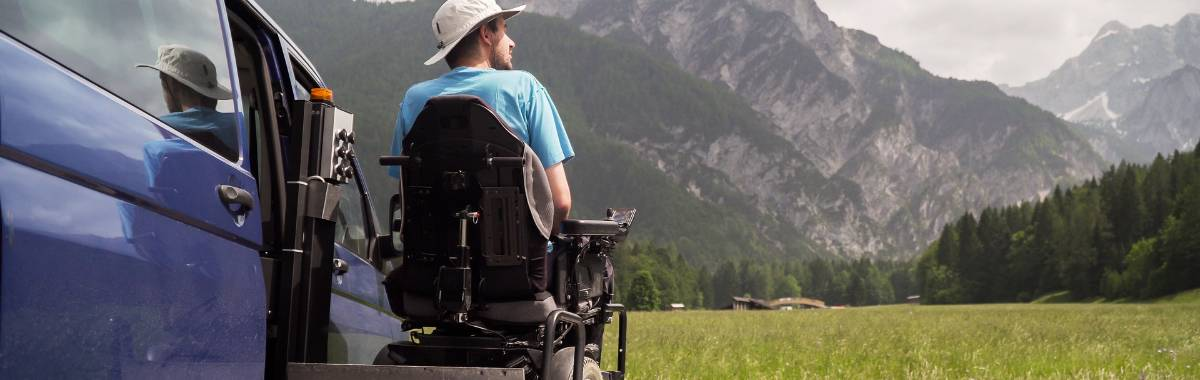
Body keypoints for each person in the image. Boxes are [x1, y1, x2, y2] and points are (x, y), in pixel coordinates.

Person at [390, 0, 574, 234]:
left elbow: (408, 195)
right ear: (486, 34)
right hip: (517, 254)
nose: (512, 42)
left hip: (433, 253)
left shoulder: (413, 100)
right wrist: (537, 243)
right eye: (504, 30)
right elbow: (560, 202)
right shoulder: (524, 88)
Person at [137, 44, 238, 161]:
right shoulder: (241, 126)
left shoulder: (152, 132)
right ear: (213, 93)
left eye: (163, 84)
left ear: (172, 85)